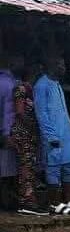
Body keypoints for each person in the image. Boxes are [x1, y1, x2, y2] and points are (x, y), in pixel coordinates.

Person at [34, 56, 70, 215]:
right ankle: (54, 204)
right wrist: (50, 137)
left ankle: (67, 202)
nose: (63, 68)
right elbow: (41, 114)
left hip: (66, 134)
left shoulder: (56, 84)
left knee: (69, 167)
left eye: (63, 64)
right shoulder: (42, 85)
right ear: (50, 66)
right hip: (53, 136)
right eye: (59, 65)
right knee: (53, 169)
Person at [9, 58, 48, 215]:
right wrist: (33, 127)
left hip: (28, 134)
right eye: (38, 71)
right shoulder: (21, 88)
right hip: (23, 134)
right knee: (26, 167)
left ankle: (27, 199)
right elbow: (19, 112)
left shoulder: (31, 89)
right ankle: (27, 201)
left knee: (29, 166)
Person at [0, 55, 18, 206]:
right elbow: (8, 111)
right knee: (6, 171)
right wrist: (7, 134)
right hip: (5, 133)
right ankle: (6, 204)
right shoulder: (9, 84)